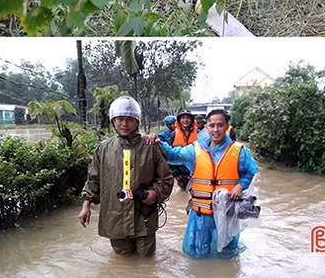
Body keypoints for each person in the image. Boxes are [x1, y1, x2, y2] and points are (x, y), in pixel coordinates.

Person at [150, 109, 259, 258]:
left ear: (227, 126)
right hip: (200, 215)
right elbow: (173, 155)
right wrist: (157, 142)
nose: (215, 129)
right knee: (197, 255)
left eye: (220, 125)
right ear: (206, 127)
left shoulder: (239, 152)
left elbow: (250, 171)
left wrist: (240, 186)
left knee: (226, 257)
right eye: (212, 125)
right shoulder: (195, 150)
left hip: (226, 215)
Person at [79, 96, 173, 257]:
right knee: (122, 260)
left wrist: (155, 193)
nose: (124, 124)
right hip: (114, 216)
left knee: (147, 259)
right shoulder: (103, 148)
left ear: (137, 122)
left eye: (129, 119)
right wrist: (86, 205)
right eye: (120, 119)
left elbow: (166, 179)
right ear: (113, 121)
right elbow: (94, 179)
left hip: (144, 216)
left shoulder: (151, 147)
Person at [170, 110, 197, 190]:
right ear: (179, 120)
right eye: (183, 118)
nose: (185, 120)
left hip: (196, 172)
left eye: (188, 118)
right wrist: (175, 174)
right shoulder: (173, 135)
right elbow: (169, 155)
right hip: (181, 173)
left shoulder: (199, 134)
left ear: (192, 120)